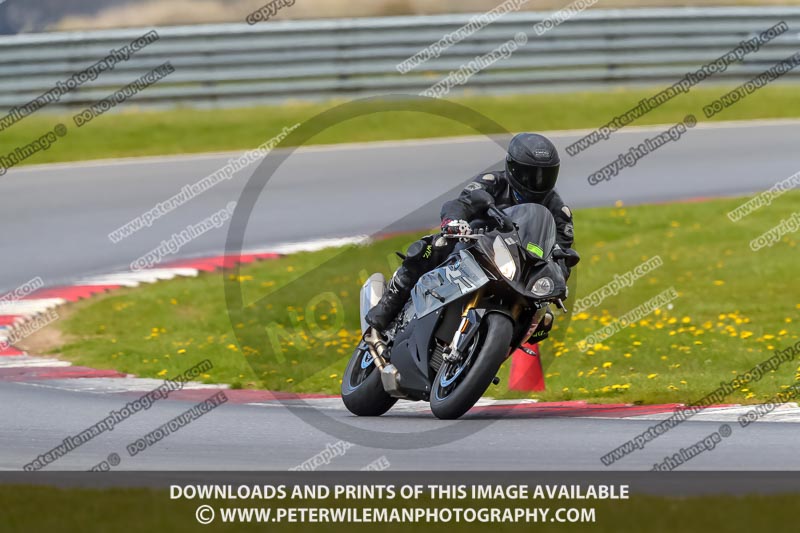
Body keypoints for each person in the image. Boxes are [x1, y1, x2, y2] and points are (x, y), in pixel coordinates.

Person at [366, 132, 577, 334]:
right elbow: (462, 203)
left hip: (520, 269)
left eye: (545, 175)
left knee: (542, 317)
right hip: (475, 247)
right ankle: (384, 311)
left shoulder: (558, 210)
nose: (537, 181)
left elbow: (563, 254)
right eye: (529, 174)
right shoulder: (493, 182)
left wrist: (559, 277)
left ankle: (488, 350)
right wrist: (454, 222)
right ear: (512, 167)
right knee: (431, 248)